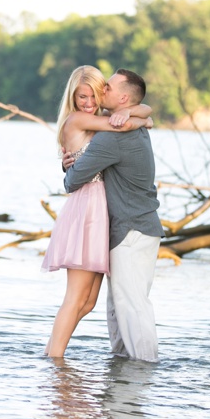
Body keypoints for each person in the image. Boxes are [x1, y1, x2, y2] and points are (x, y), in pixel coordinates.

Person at [42, 66, 153, 358]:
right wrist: (138, 115)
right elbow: (130, 125)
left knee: (88, 302)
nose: (89, 102)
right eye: (82, 97)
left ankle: (52, 352)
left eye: (94, 95)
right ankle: (54, 359)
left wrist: (137, 111)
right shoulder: (78, 120)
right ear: (73, 97)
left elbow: (141, 112)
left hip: (100, 211)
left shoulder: (96, 120)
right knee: (76, 297)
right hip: (86, 210)